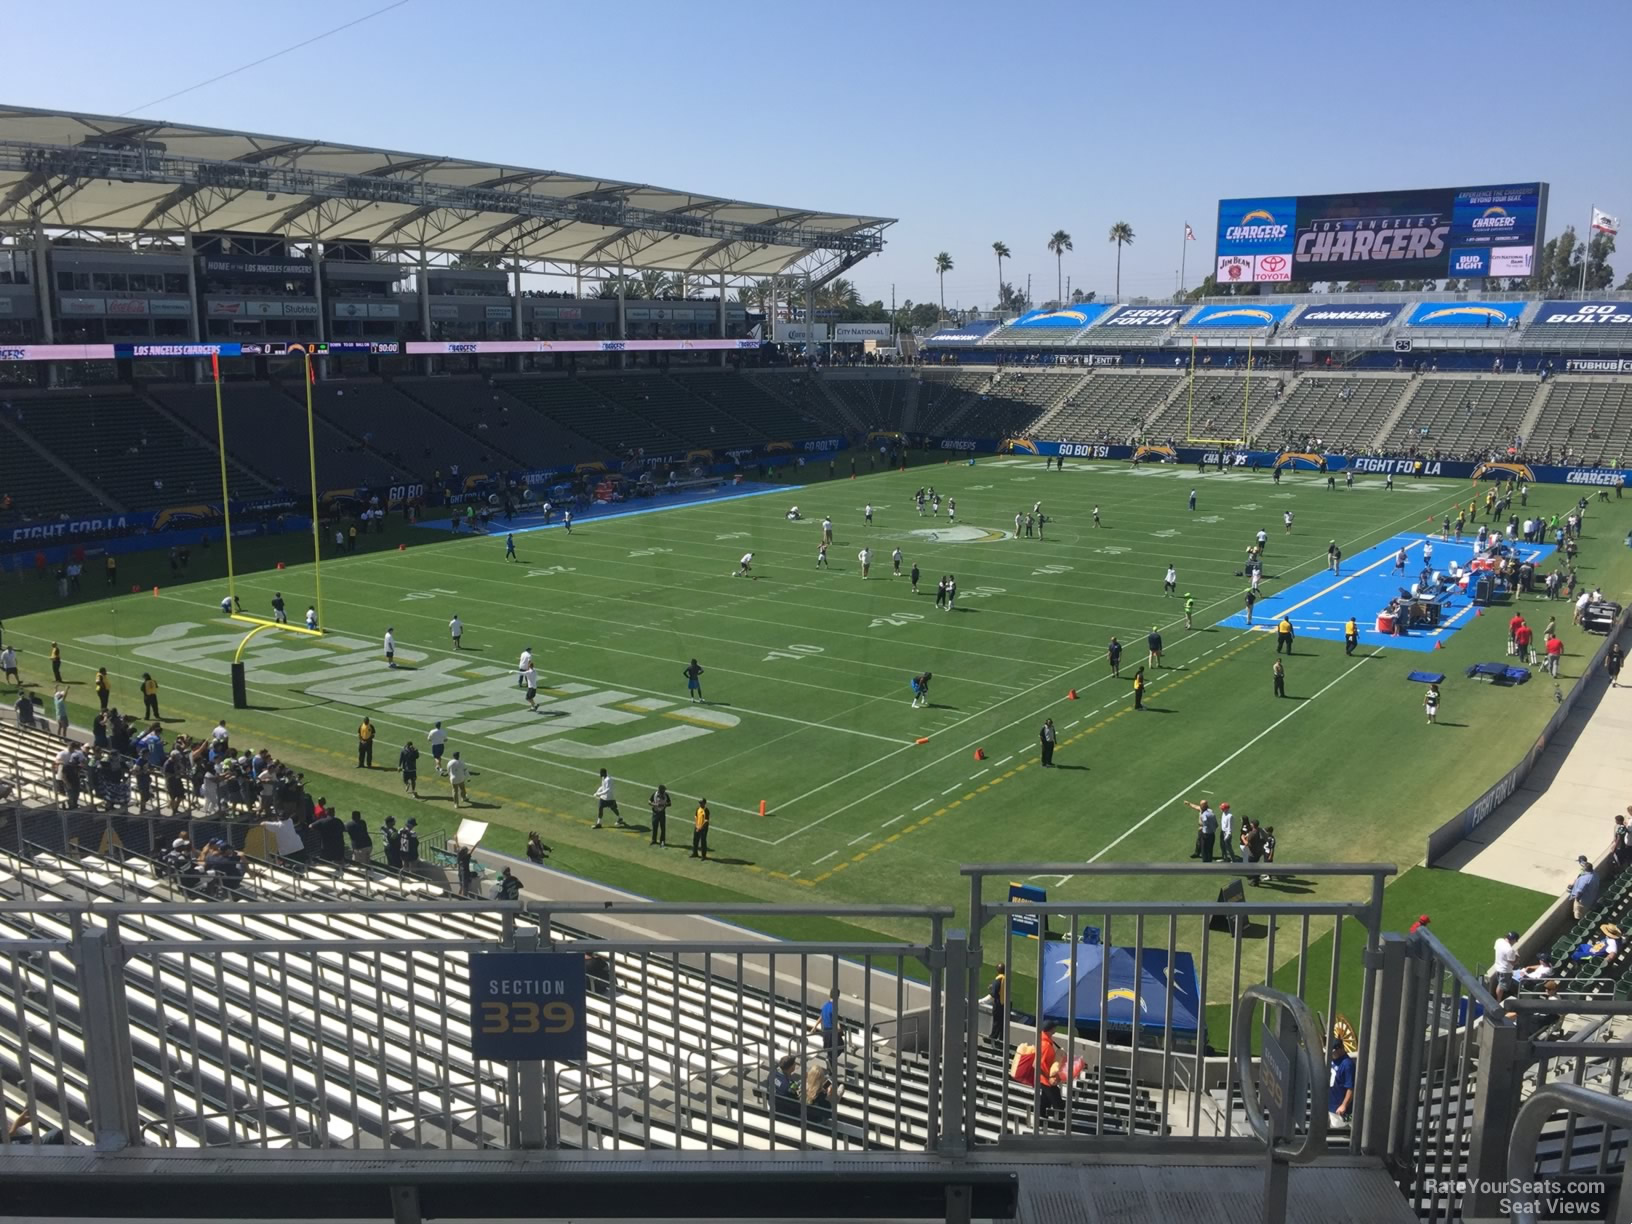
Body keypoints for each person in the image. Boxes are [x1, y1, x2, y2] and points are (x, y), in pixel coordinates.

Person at [811, 987, 843, 1065]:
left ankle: (829, 1062)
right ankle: (829, 1062)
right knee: (840, 1046)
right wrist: (839, 1027)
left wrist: (814, 1026)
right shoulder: (834, 1006)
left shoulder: (825, 1005)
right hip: (832, 1030)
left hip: (825, 1031)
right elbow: (835, 1018)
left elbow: (821, 1017)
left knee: (830, 1049)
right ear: (838, 997)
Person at [1328, 1039, 1356, 1128]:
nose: (1331, 1054)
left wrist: (1344, 1105)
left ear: (1340, 1049)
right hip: (1331, 1105)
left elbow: (1350, 1087)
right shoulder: (1332, 1060)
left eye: (1333, 1052)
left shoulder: (1347, 1064)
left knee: (1338, 1130)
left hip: (1340, 1108)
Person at [1568, 855, 1599, 920]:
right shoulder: (1595, 875)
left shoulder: (1584, 879)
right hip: (1591, 898)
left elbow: (1579, 892)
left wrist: (1576, 899)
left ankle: (1579, 924)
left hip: (1583, 902)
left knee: (1578, 914)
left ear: (1584, 869)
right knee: (1584, 913)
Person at [987, 962, 1007, 1041]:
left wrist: (980, 1001)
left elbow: (994, 994)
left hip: (999, 1004)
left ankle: (993, 1037)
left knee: (997, 1021)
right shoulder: (1006, 978)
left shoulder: (998, 979)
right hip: (1006, 1004)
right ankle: (1001, 1040)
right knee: (1002, 1023)